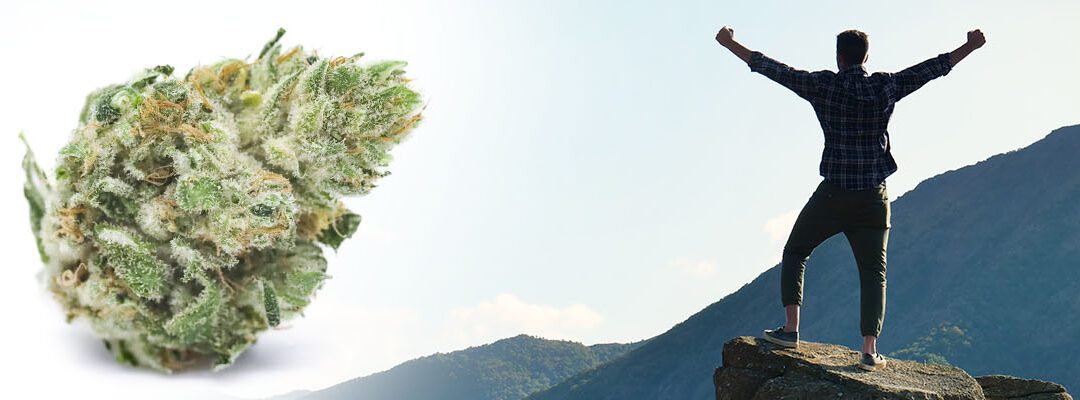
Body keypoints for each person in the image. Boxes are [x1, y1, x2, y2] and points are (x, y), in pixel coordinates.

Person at [714, 27, 986, 371]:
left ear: (839, 57)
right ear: (866, 57)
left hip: (833, 194)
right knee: (874, 273)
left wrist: (730, 44)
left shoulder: (824, 86)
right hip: (873, 197)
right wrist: (970, 46)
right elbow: (933, 68)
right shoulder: (885, 86)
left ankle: (791, 329)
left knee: (796, 251)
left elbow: (773, 68)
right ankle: (870, 350)